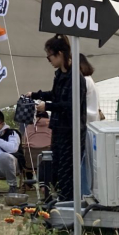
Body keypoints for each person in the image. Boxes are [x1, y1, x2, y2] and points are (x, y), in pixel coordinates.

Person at [26, 34, 86, 202]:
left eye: (49, 56)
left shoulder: (76, 77)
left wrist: (48, 106)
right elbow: (54, 95)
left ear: (59, 54)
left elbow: (71, 105)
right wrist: (35, 95)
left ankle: (68, 204)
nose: (49, 60)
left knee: (68, 170)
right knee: (57, 167)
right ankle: (60, 200)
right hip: (59, 128)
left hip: (71, 131)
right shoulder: (60, 74)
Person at [79, 53, 99, 196]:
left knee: (84, 163)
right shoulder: (90, 80)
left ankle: (84, 192)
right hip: (92, 123)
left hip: (86, 124)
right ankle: (86, 191)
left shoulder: (84, 81)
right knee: (88, 162)